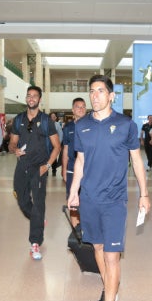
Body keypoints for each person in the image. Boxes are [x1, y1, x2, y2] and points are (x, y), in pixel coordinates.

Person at [67, 75, 150, 301]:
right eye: (92, 92)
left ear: (112, 95)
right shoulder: (82, 125)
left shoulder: (125, 124)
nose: (95, 96)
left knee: (113, 256)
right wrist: (73, 192)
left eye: (100, 91)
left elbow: (137, 161)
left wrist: (144, 194)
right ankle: (109, 288)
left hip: (115, 200)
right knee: (99, 250)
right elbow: (79, 161)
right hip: (90, 198)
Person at [9, 86, 61, 260]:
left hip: (39, 168)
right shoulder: (18, 119)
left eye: (35, 96)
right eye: (29, 96)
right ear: (26, 98)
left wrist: (47, 165)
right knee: (22, 200)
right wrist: (15, 149)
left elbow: (57, 147)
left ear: (39, 100)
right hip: (22, 166)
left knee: (38, 203)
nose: (31, 98)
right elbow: (12, 143)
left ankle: (35, 242)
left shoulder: (46, 121)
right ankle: (38, 219)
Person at [61, 97, 86, 228]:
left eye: (83, 106)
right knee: (72, 198)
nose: (81, 109)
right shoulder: (68, 127)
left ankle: (87, 229)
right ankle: (76, 231)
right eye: (78, 106)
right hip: (71, 168)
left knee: (87, 200)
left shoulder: (91, 125)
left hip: (88, 169)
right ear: (73, 109)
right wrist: (64, 170)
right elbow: (65, 149)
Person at [50, 112, 64, 176]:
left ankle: (54, 170)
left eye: (54, 117)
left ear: (56, 118)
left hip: (54, 144)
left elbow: (60, 134)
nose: (53, 118)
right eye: (51, 117)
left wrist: (59, 143)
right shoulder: (46, 124)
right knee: (45, 157)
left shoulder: (57, 124)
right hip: (47, 144)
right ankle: (46, 171)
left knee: (54, 157)